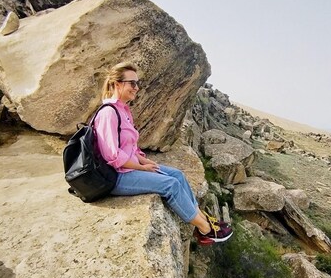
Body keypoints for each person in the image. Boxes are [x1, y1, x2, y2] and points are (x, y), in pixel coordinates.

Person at [94, 62, 233, 245]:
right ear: (117, 84)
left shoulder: (123, 110)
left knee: (178, 175)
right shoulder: (108, 113)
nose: (137, 88)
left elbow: (131, 148)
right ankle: (205, 230)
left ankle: (203, 217)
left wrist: (145, 162)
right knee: (170, 185)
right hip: (115, 177)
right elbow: (112, 156)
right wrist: (141, 167)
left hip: (127, 168)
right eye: (132, 83)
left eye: (138, 83)